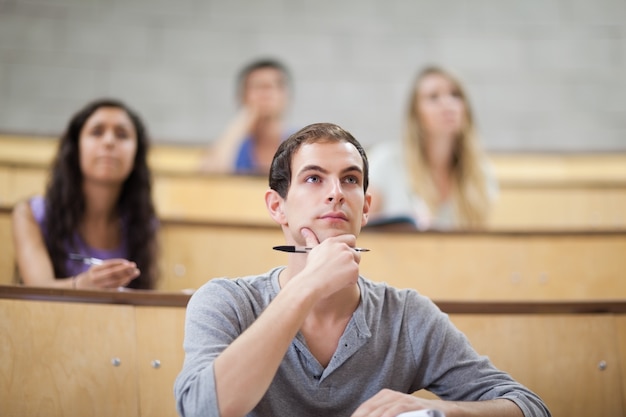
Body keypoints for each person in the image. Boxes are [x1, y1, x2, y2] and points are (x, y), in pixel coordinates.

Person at [174, 122, 551, 417]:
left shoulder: (407, 316)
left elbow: (530, 406)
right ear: (277, 207)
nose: (336, 192)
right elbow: (201, 409)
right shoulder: (224, 301)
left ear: (366, 207)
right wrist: (307, 287)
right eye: (313, 178)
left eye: (350, 179)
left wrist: (440, 409)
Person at [11, 98, 159, 290]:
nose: (109, 142)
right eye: (97, 132)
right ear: (76, 147)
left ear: (136, 154)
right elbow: (38, 292)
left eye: (122, 135)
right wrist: (84, 284)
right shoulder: (30, 214)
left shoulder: (144, 222)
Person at [368, 66, 497, 231]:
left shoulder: (480, 174)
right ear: (416, 113)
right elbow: (363, 228)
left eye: (455, 95)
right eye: (433, 97)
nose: (447, 104)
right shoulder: (386, 161)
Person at [199, 58, 294, 176]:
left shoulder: (301, 143)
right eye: (257, 86)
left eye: (275, 85)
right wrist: (240, 123)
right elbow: (206, 178)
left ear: (287, 96)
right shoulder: (235, 145)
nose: (266, 93)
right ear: (241, 97)